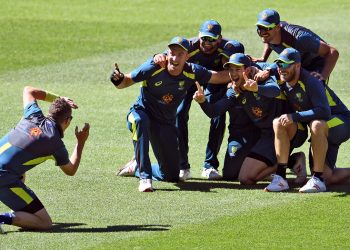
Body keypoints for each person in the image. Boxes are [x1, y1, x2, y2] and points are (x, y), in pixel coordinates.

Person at [110, 37, 230, 192]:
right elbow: (125, 81)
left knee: (171, 175)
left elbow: (217, 77)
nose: (175, 58)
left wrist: (246, 72)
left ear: (187, 56)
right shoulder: (154, 66)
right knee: (140, 121)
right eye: (172, 53)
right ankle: (145, 178)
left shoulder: (192, 71)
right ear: (167, 53)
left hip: (165, 122)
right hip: (141, 112)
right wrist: (117, 78)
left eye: (180, 54)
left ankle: (136, 167)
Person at [194, 53, 308, 184]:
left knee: (278, 124)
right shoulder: (234, 91)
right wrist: (202, 101)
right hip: (267, 135)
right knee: (245, 179)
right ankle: (292, 161)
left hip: (290, 128)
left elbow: (275, 90)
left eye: (237, 69)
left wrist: (256, 88)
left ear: (247, 70)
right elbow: (214, 111)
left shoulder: (260, 77)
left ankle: (281, 171)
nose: (233, 73)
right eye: (230, 70)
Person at [0, 86, 90, 231]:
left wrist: (58, 97)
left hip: (4, 171)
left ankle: (20, 212)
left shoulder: (33, 114)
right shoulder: (55, 144)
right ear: (67, 120)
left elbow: (28, 90)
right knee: (44, 222)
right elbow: (70, 170)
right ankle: (2, 218)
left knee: (20, 174)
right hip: (3, 177)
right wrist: (80, 143)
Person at [264, 48, 350, 192]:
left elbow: (324, 111)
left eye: (286, 65)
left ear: (297, 66)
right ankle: (280, 178)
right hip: (317, 124)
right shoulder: (281, 77)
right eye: (279, 65)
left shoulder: (311, 81)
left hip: (341, 122)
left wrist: (294, 117)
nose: (281, 69)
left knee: (316, 124)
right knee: (278, 122)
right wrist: (259, 72)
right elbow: (266, 68)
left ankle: (317, 180)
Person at [253, 9, 339, 83]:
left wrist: (323, 77)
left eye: (267, 28)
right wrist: (263, 57)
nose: (262, 32)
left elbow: (333, 52)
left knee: (314, 97)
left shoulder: (301, 39)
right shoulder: (270, 34)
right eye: (260, 27)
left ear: (278, 27)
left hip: (316, 66)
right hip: (298, 65)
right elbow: (269, 40)